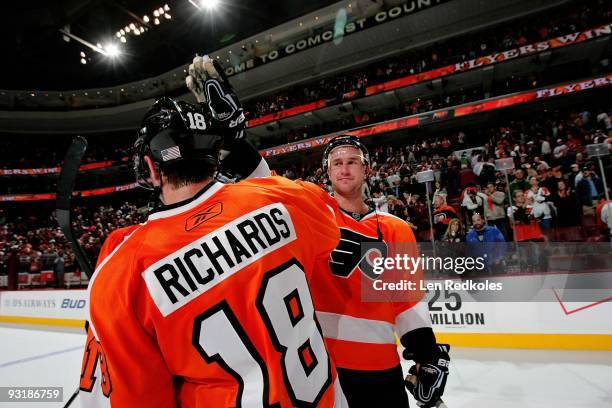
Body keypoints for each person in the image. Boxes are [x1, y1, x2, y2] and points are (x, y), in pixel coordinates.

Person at [73, 57, 347, 407]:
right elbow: (329, 222)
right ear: (214, 154)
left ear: (151, 168)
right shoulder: (279, 198)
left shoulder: (122, 272)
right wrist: (240, 146)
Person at [309, 134, 450, 408]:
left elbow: (406, 298)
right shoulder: (312, 218)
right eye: (336, 163)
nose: (344, 169)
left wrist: (425, 353)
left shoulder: (395, 227)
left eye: (352, 162)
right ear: (328, 171)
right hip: (324, 364)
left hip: (380, 363)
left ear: (367, 169)